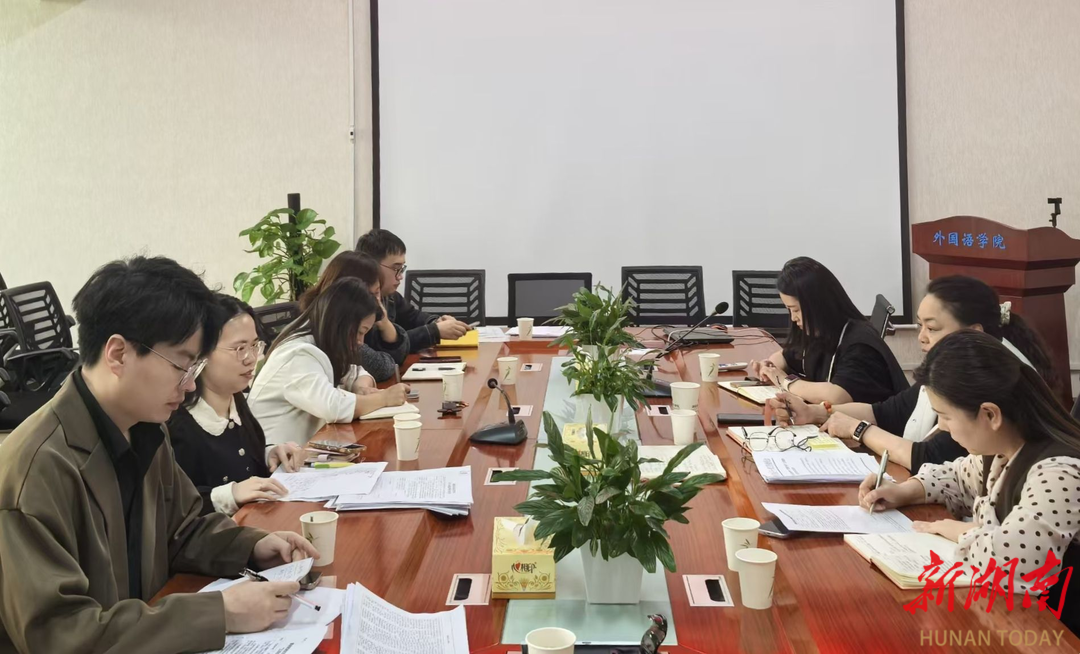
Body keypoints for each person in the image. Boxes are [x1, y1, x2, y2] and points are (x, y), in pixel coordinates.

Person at [0, 256, 319, 653]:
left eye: (196, 367)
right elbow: (59, 635)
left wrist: (252, 546)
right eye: (181, 365)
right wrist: (219, 614)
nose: (190, 386)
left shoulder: (145, 429)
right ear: (118, 354)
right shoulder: (35, 470)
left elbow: (181, 531)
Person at [858, 330, 1079, 633]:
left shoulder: (1058, 472)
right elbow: (957, 478)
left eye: (945, 416)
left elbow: (1015, 564)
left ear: (990, 414)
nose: (942, 428)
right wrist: (904, 491)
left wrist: (959, 530)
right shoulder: (1002, 449)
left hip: (1057, 633)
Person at [769, 276, 1056, 472]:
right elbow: (888, 411)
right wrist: (814, 412)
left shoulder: (989, 380)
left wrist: (858, 430)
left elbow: (931, 457)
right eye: (920, 325)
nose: (921, 337)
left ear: (974, 333)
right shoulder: (952, 368)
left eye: (932, 328)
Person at [168, 294, 305, 517]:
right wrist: (230, 494)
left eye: (255, 345)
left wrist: (269, 454)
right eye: (239, 349)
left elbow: (241, 464)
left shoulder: (236, 399)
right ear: (201, 352)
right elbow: (173, 506)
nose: (251, 359)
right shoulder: (177, 422)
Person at [249, 277, 410, 446]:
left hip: (305, 449)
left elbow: (355, 371)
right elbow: (332, 407)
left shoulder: (322, 343)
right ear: (340, 323)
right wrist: (384, 398)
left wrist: (361, 386)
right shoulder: (297, 354)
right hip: (273, 457)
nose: (361, 341)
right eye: (360, 332)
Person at [748, 257, 908, 404]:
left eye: (795, 310)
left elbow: (836, 396)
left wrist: (785, 381)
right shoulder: (819, 332)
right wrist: (770, 367)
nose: (793, 318)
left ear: (816, 305)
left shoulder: (859, 344)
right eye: (788, 310)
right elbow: (786, 356)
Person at [299, 251, 408, 382]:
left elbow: (398, 356)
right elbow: (381, 368)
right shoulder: (333, 327)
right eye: (372, 294)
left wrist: (384, 322)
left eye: (378, 293)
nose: (377, 302)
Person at [355, 228, 469, 352]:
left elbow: (414, 318)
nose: (400, 276)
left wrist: (437, 322)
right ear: (372, 266)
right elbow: (384, 349)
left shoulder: (390, 297)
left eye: (402, 269)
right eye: (396, 269)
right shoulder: (358, 304)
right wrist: (435, 331)